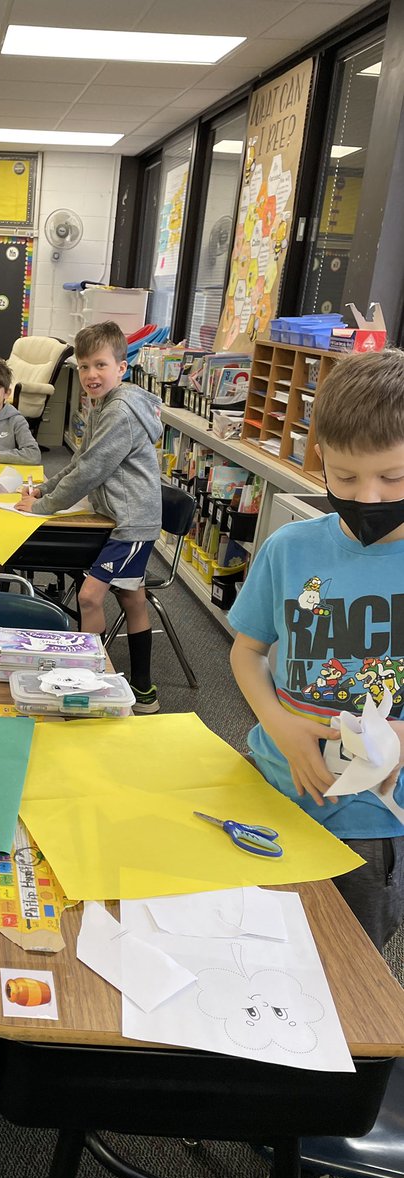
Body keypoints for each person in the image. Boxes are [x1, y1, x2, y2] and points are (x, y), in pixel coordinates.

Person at [229, 348, 404, 953]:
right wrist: (279, 726)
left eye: (393, 478)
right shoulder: (291, 548)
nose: (370, 498)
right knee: (252, 944)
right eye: (346, 478)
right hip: (271, 785)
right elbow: (247, 652)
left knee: (349, 960)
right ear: (321, 455)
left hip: (372, 820)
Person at [15, 322, 163, 714]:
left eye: (100, 365)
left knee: (89, 596)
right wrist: (44, 490)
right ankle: (144, 691)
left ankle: (88, 686)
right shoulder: (102, 405)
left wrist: (44, 507)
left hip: (132, 524)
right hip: (118, 518)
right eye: (83, 367)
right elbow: (81, 460)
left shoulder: (120, 412)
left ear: (121, 368)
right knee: (132, 598)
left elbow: (90, 471)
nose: (90, 374)